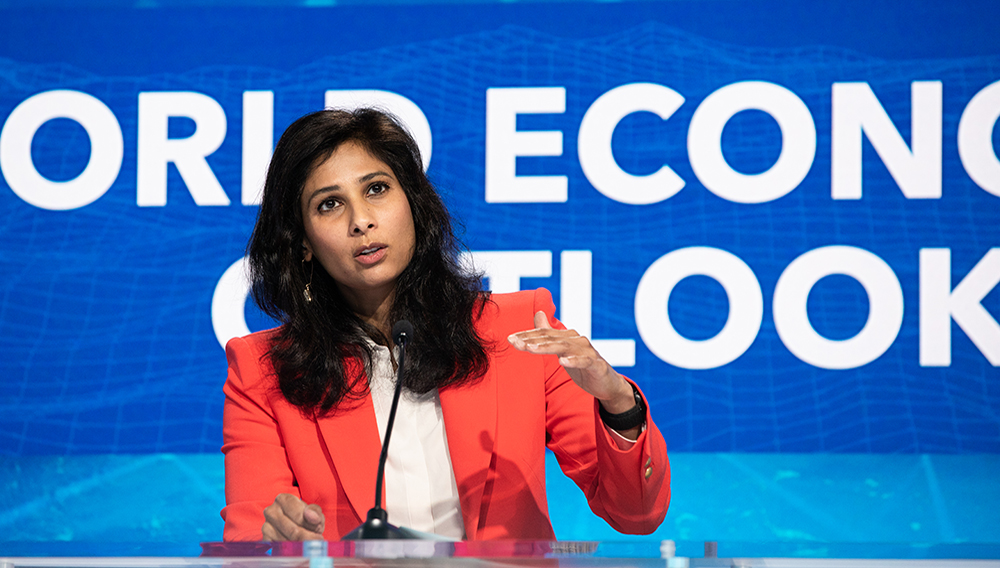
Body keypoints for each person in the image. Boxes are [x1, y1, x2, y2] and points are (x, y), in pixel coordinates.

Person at [221, 108, 670, 542]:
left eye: (376, 189)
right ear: (302, 242)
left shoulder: (517, 330)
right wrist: (275, 539)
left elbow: (636, 514)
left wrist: (618, 403)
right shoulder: (262, 373)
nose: (361, 221)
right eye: (330, 204)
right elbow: (249, 537)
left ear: (412, 204)